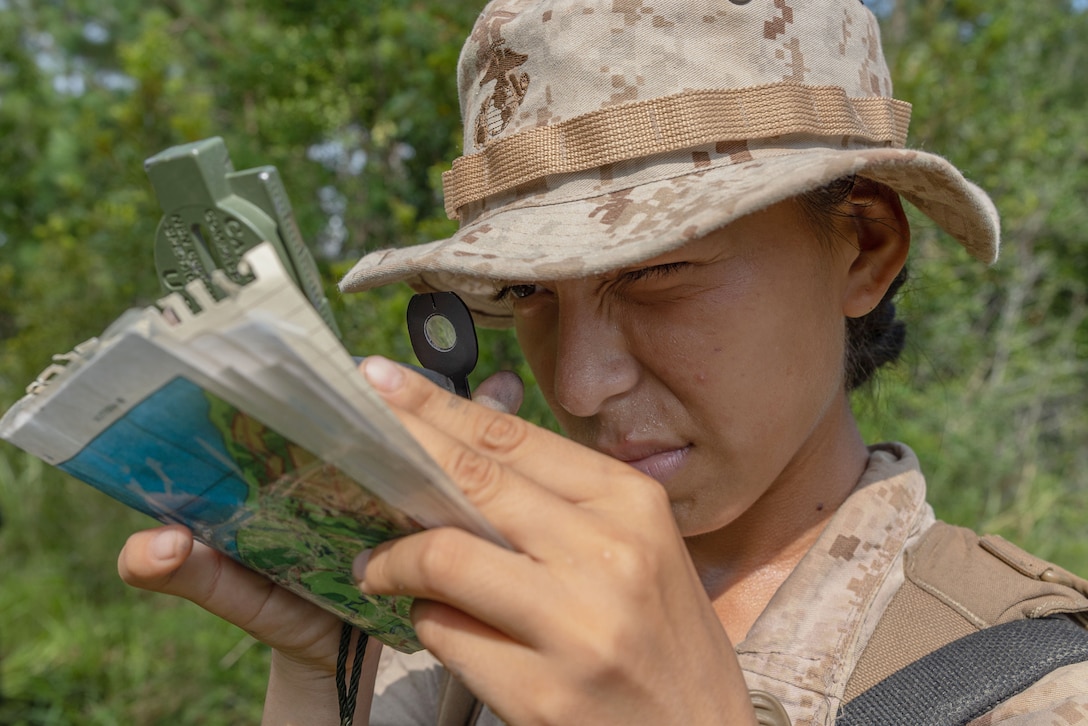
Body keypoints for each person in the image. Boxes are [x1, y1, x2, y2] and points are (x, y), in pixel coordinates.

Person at [118, 0, 1088, 723]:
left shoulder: (1025, 678)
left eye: (658, 272)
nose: (578, 385)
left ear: (864, 246)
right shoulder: (473, 634)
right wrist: (317, 668)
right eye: (530, 295)